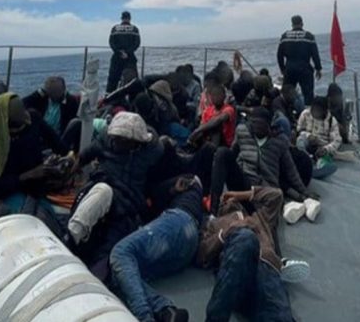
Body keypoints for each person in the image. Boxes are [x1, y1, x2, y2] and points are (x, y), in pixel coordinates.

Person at [67, 112, 164, 281]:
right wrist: (70, 173)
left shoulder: (152, 152)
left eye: (122, 141)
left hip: (128, 203)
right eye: (115, 139)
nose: (116, 143)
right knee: (101, 193)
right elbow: (84, 157)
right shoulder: (105, 141)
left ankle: (94, 278)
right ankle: (70, 239)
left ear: (136, 143)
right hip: (102, 188)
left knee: (111, 244)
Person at [197, 186, 303, 322]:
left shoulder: (260, 218)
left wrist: (240, 194)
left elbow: (276, 195)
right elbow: (201, 254)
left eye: (227, 199)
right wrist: (227, 232)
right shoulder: (214, 225)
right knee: (246, 238)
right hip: (237, 272)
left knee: (281, 317)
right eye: (221, 201)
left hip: (267, 271)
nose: (225, 201)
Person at [110, 175, 202, 322]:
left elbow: (154, 196)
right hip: (189, 244)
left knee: (121, 253)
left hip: (178, 221)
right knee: (124, 275)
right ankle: (166, 311)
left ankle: (144, 317)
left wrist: (170, 189)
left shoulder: (185, 179)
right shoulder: (193, 187)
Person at [209, 108, 317, 215]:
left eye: (260, 124)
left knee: (272, 199)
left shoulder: (279, 140)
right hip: (244, 182)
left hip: (266, 190)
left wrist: (305, 192)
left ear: (269, 125)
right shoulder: (243, 132)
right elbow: (232, 153)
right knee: (222, 152)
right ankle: (213, 210)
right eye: (253, 123)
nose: (256, 127)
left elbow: (291, 170)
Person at [0, 93, 63, 202]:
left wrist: (67, 159)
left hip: (37, 189)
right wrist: (27, 176)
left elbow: (58, 145)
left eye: (22, 107)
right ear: (5, 116)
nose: (24, 113)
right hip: (8, 193)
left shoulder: (34, 121)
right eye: (17, 110)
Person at [277, 15, 322, 105]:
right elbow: (315, 54)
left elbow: (279, 55)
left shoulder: (285, 36)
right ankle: (308, 110)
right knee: (308, 95)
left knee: (287, 95)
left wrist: (282, 69)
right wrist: (318, 68)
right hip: (304, 68)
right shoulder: (309, 36)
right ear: (302, 23)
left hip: (290, 68)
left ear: (292, 24)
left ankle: (288, 110)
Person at [296, 96, 340, 179]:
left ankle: (320, 168)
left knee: (325, 158)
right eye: (314, 109)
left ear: (324, 111)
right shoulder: (305, 114)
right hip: (308, 142)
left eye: (318, 110)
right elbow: (299, 129)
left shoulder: (331, 121)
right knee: (300, 141)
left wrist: (326, 149)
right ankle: (306, 160)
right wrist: (308, 135)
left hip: (322, 145)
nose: (315, 112)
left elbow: (336, 140)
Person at [189, 84, 236, 149]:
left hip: (225, 144)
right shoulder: (207, 110)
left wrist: (198, 130)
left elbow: (219, 120)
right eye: (214, 95)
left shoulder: (229, 109)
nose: (216, 98)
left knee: (215, 128)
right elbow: (202, 125)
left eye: (219, 95)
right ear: (210, 97)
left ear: (224, 96)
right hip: (208, 139)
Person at [106, 11, 140, 93]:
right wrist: (127, 53)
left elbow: (111, 43)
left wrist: (119, 52)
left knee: (113, 80)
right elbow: (137, 43)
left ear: (121, 18)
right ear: (130, 18)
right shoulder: (135, 29)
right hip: (130, 58)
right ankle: (134, 98)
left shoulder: (114, 28)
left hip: (117, 57)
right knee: (133, 81)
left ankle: (110, 97)